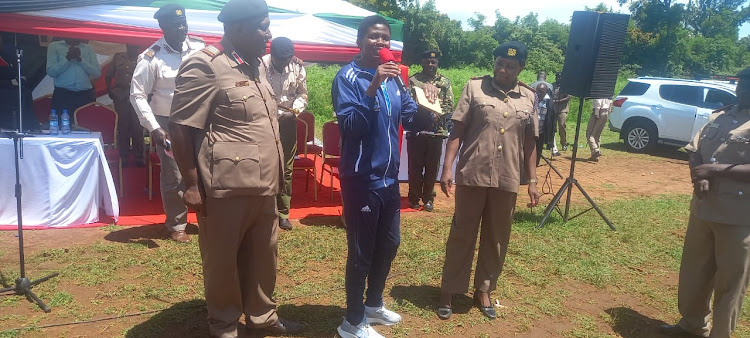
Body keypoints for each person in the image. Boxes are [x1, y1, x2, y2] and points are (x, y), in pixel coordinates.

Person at [169, 0, 304, 336]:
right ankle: (225, 325)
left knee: (264, 257)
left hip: (265, 185)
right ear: (239, 27)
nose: (269, 34)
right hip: (225, 188)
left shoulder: (255, 66)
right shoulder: (206, 65)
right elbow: (180, 128)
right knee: (223, 262)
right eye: (263, 26)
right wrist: (189, 183)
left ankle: (263, 318)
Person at [331, 15, 433, 338]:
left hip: (389, 179)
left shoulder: (395, 79)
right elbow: (350, 127)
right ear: (360, 40)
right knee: (361, 251)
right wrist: (373, 86)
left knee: (389, 244)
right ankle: (352, 321)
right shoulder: (347, 77)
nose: (381, 43)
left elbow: (410, 118)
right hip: (362, 178)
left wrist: (428, 102)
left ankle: (373, 303)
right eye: (374, 37)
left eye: (386, 39)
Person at [437, 41, 540, 320]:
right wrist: (447, 168)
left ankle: (483, 289)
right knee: (462, 232)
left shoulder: (529, 97)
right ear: (493, 63)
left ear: (521, 69)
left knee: (497, 236)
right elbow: (457, 129)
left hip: (507, 176)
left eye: (510, 66)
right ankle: (449, 289)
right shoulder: (474, 88)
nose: (503, 69)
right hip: (472, 173)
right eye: (499, 64)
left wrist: (532, 180)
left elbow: (530, 143)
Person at [660, 67, 750, 338]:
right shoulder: (719, 116)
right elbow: (694, 149)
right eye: (740, 86)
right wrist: (697, 175)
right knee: (694, 274)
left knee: (730, 283)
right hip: (703, 209)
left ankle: (720, 334)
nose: (742, 91)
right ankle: (692, 323)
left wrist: (715, 171)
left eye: (747, 88)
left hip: (738, 218)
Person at [130, 4, 205, 243]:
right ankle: (177, 224)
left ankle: (207, 219)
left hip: (199, 119)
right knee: (174, 175)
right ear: (163, 27)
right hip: (169, 122)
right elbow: (138, 95)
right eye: (175, 25)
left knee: (205, 169)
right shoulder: (151, 57)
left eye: (183, 24)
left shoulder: (199, 48)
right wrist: (154, 127)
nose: (181, 29)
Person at [261, 36, 308, 231]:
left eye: (287, 59)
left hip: (288, 122)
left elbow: (302, 94)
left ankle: (283, 213)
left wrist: (294, 112)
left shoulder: (297, 67)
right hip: (263, 123)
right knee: (265, 167)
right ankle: (265, 211)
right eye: (280, 59)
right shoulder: (260, 65)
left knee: (285, 169)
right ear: (272, 55)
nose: (284, 63)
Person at [406, 49, 453, 212]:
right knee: (415, 166)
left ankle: (428, 198)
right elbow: (408, 102)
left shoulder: (444, 82)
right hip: (417, 131)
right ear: (422, 63)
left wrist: (435, 114)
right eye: (427, 62)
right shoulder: (413, 81)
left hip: (437, 131)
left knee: (432, 167)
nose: (431, 64)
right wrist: (422, 115)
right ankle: (413, 198)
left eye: (433, 62)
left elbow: (449, 104)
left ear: (437, 64)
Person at [106, 45, 143, 167]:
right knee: (123, 127)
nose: (133, 48)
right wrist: (109, 91)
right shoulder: (118, 57)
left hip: (137, 96)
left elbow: (151, 77)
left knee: (137, 127)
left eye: (135, 46)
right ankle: (124, 157)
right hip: (121, 95)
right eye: (130, 45)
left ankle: (139, 157)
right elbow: (108, 75)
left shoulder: (143, 58)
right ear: (127, 46)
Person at [46, 37, 100, 115]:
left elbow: (97, 73)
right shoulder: (54, 46)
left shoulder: (88, 48)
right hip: (63, 95)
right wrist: (68, 58)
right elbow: (51, 72)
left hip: (85, 96)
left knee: (85, 125)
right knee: (63, 125)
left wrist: (80, 60)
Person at [534, 82, 557, 166]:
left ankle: (534, 167)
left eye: (542, 92)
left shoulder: (549, 103)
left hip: (541, 132)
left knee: (538, 151)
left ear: (546, 92)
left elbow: (551, 118)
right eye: (538, 91)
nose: (539, 94)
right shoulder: (532, 99)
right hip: (530, 131)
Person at [586, 97, 611, 162]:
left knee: (590, 134)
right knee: (597, 134)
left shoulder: (598, 91)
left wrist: (596, 114)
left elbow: (598, 102)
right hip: (606, 112)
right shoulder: (608, 92)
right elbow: (610, 103)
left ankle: (595, 150)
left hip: (599, 111)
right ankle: (595, 157)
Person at [553, 72, 570, 151]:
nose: (559, 78)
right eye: (557, 77)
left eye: (560, 77)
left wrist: (558, 101)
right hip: (553, 108)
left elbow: (568, 97)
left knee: (562, 125)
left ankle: (564, 143)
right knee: (552, 127)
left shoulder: (565, 86)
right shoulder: (552, 85)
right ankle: (551, 143)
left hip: (563, 109)